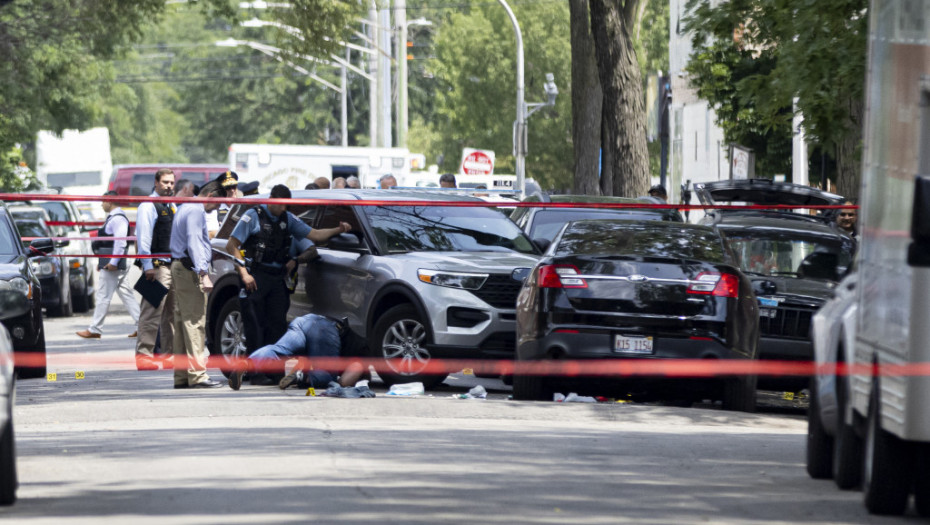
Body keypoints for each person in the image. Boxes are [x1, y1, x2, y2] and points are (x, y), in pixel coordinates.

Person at [225, 184, 352, 362]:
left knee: (276, 325)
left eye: (287, 205)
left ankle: (273, 370)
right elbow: (232, 245)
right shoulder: (253, 216)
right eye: (281, 204)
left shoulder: (288, 219)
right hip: (255, 276)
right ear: (272, 200)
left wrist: (338, 230)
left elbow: (315, 235)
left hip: (277, 277)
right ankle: (255, 370)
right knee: (255, 325)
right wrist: (244, 274)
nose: (284, 208)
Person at [169, 179, 226, 389]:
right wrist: (203, 273)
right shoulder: (195, 211)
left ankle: (183, 375)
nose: (217, 209)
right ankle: (198, 375)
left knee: (183, 322)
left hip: (180, 267)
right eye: (218, 204)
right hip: (189, 269)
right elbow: (194, 242)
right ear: (211, 196)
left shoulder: (185, 207)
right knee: (195, 323)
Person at [227, 313, 367, 390]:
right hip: (325, 330)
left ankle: (246, 364)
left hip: (304, 321)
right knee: (329, 377)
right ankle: (301, 377)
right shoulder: (364, 354)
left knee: (278, 351)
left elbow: (305, 360)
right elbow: (344, 381)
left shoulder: (357, 339)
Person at [76, 192, 141, 341]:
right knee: (126, 294)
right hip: (115, 263)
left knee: (103, 296)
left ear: (110, 201)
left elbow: (120, 242)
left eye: (103, 201)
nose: (101, 204)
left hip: (115, 265)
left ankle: (95, 329)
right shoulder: (115, 217)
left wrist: (113, 262)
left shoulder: (117, 219)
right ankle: (141, 325)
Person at [133, 168, 176, 370]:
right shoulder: (148, 206)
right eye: (165, 182)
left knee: (172, 315)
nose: (169, 186)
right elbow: (143, 239)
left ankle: (169, 356)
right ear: (156, 183)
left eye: (171, 182)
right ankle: (144, 356)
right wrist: (147, 265)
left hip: (173, 266)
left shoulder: (172, 205)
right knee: (150, 314)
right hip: (157, 267)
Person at [206, 171, 238, 238]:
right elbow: (211, 234)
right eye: (228, 188)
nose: (232, 191)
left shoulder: (242, 207)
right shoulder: (214, 209)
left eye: (234, 187)